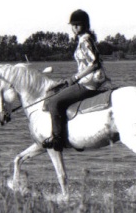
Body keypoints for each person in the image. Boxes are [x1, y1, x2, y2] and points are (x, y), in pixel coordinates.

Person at [42, 9, 108, 151]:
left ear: (85, 25)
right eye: (73, 25)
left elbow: (94, 64)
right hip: (88, 79)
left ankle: (58, 139)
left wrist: (75, 78)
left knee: (54, 102)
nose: (75, 27)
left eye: (78, 24)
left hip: (89, 82)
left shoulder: (85, 41)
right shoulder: (85, 39)